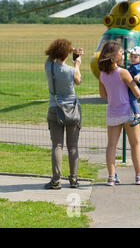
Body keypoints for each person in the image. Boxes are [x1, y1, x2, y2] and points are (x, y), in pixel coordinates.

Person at [97, 41, 140, 186]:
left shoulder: (102, 74)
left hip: (112, 113)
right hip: (128, 112)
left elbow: (103, 95)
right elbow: (137, 93)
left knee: (111, 145)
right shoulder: (124, 72)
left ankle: (111, 177)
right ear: (114, 56)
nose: (123, 55)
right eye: (121, 52)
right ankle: (139, 176)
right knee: (135, 144)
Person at [44, 39, 83, 190]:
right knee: (72, 146)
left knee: (57, 145)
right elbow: (78, 81)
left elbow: (50, 57)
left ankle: (56, 180)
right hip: (72, 109)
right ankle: (73, 179)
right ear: (67, 54)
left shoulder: (49, 66)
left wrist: (66, 50)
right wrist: (77, 64)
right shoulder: (71, 70)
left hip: (55, 108)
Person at [126, 46, 140, 127]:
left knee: (132, 99)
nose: (132, 58)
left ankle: (138, 116)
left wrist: (138, 77)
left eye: (135, 57)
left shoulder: (138, 66)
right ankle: (131, 114)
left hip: (136, 85)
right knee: (129, 99)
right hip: (131, 85)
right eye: (131, 56)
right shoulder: (133, 65)